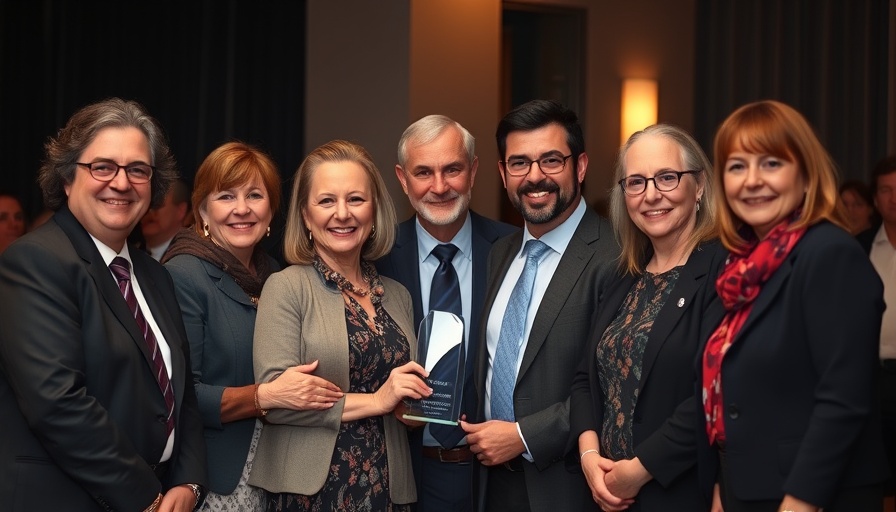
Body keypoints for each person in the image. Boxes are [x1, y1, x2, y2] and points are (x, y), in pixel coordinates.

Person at [0, 97, 206, 511]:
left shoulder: (156, 276)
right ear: (66, 178)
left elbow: (182, 394)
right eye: (103, 167)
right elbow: (58, 403)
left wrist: (188, 481)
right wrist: (147, 498)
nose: (122, 183)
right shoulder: (34, 261)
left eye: (138, 169)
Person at [699, 100, 889, 511]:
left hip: (814, 495)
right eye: (737, 166)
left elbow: (844, 398)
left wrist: (801, 501)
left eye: (771, 163)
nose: (752, 181)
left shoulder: (830, 254)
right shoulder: (740, 268)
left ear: (805, 175)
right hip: (746, 488)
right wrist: (723, 485)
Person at [249, 140, 431, 511]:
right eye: (327, 201)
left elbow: (403, 400)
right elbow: (274, 402)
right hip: (313, 492)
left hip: (389, 487)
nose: (343, 214)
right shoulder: (286, 287)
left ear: (374, 210)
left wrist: (415, 410)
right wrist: (378, 400)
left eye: (356, 199)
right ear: (305, 215)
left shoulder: (397, 295)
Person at [162, 141, 343, 511]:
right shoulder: (183, 275)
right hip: (217, 478)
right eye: (226, 196)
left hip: (279, 471)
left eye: (255, 195)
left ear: (271, 209)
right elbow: (181, 396)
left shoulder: (276, 275)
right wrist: (264, 397)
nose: (242, 208)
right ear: (203, 211)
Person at [459, 99, 619, 512]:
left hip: (567, 489)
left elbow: (616, 388)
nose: (534, 177)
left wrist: (524, 436)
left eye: (551, 160)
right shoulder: (500, 253)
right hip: (491, 485)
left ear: (580, 167)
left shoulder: (617, 256)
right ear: (502, 173)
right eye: (519, 163)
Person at [570, 124, 726, 511]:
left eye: (667, 177)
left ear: (699, 185)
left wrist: (638, 471)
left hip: (680, 494)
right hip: (604, 493)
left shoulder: (724, 272)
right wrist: (590, 458)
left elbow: (715, 394)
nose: (651, 194)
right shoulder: (621, 276)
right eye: (636, 182)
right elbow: (585, 379)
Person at [375, 114, 517, 511]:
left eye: (452, 169)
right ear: (403, 179)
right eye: (424, 172)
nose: (439, 187)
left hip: (495, 477)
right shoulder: (375, 257)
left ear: (473, 171)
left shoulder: (514, 250)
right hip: (404, 473)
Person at [860, 155, 896, 508]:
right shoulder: (858, 246)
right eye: (886, 190)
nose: (894, 198)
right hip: (871, 377)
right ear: (875, 198)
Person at [143, 178, 191, 260]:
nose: (150, 210)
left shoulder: (190, 257)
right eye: (148, 203)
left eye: (158, 204)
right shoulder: (130, 252)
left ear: (180, 210)